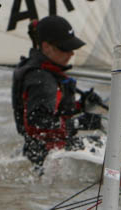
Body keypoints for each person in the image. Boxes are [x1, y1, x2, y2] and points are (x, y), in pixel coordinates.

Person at [11, 15, 103, 168]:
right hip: (46, 159)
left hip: (44, 152)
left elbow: (53, 112)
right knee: (108, 146)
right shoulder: (41, 79)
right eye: (65, 48)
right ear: (46, 47)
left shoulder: (45, 71)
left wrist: (81, 105)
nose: (71, 54)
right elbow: (36, 124)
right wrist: (78, 123)